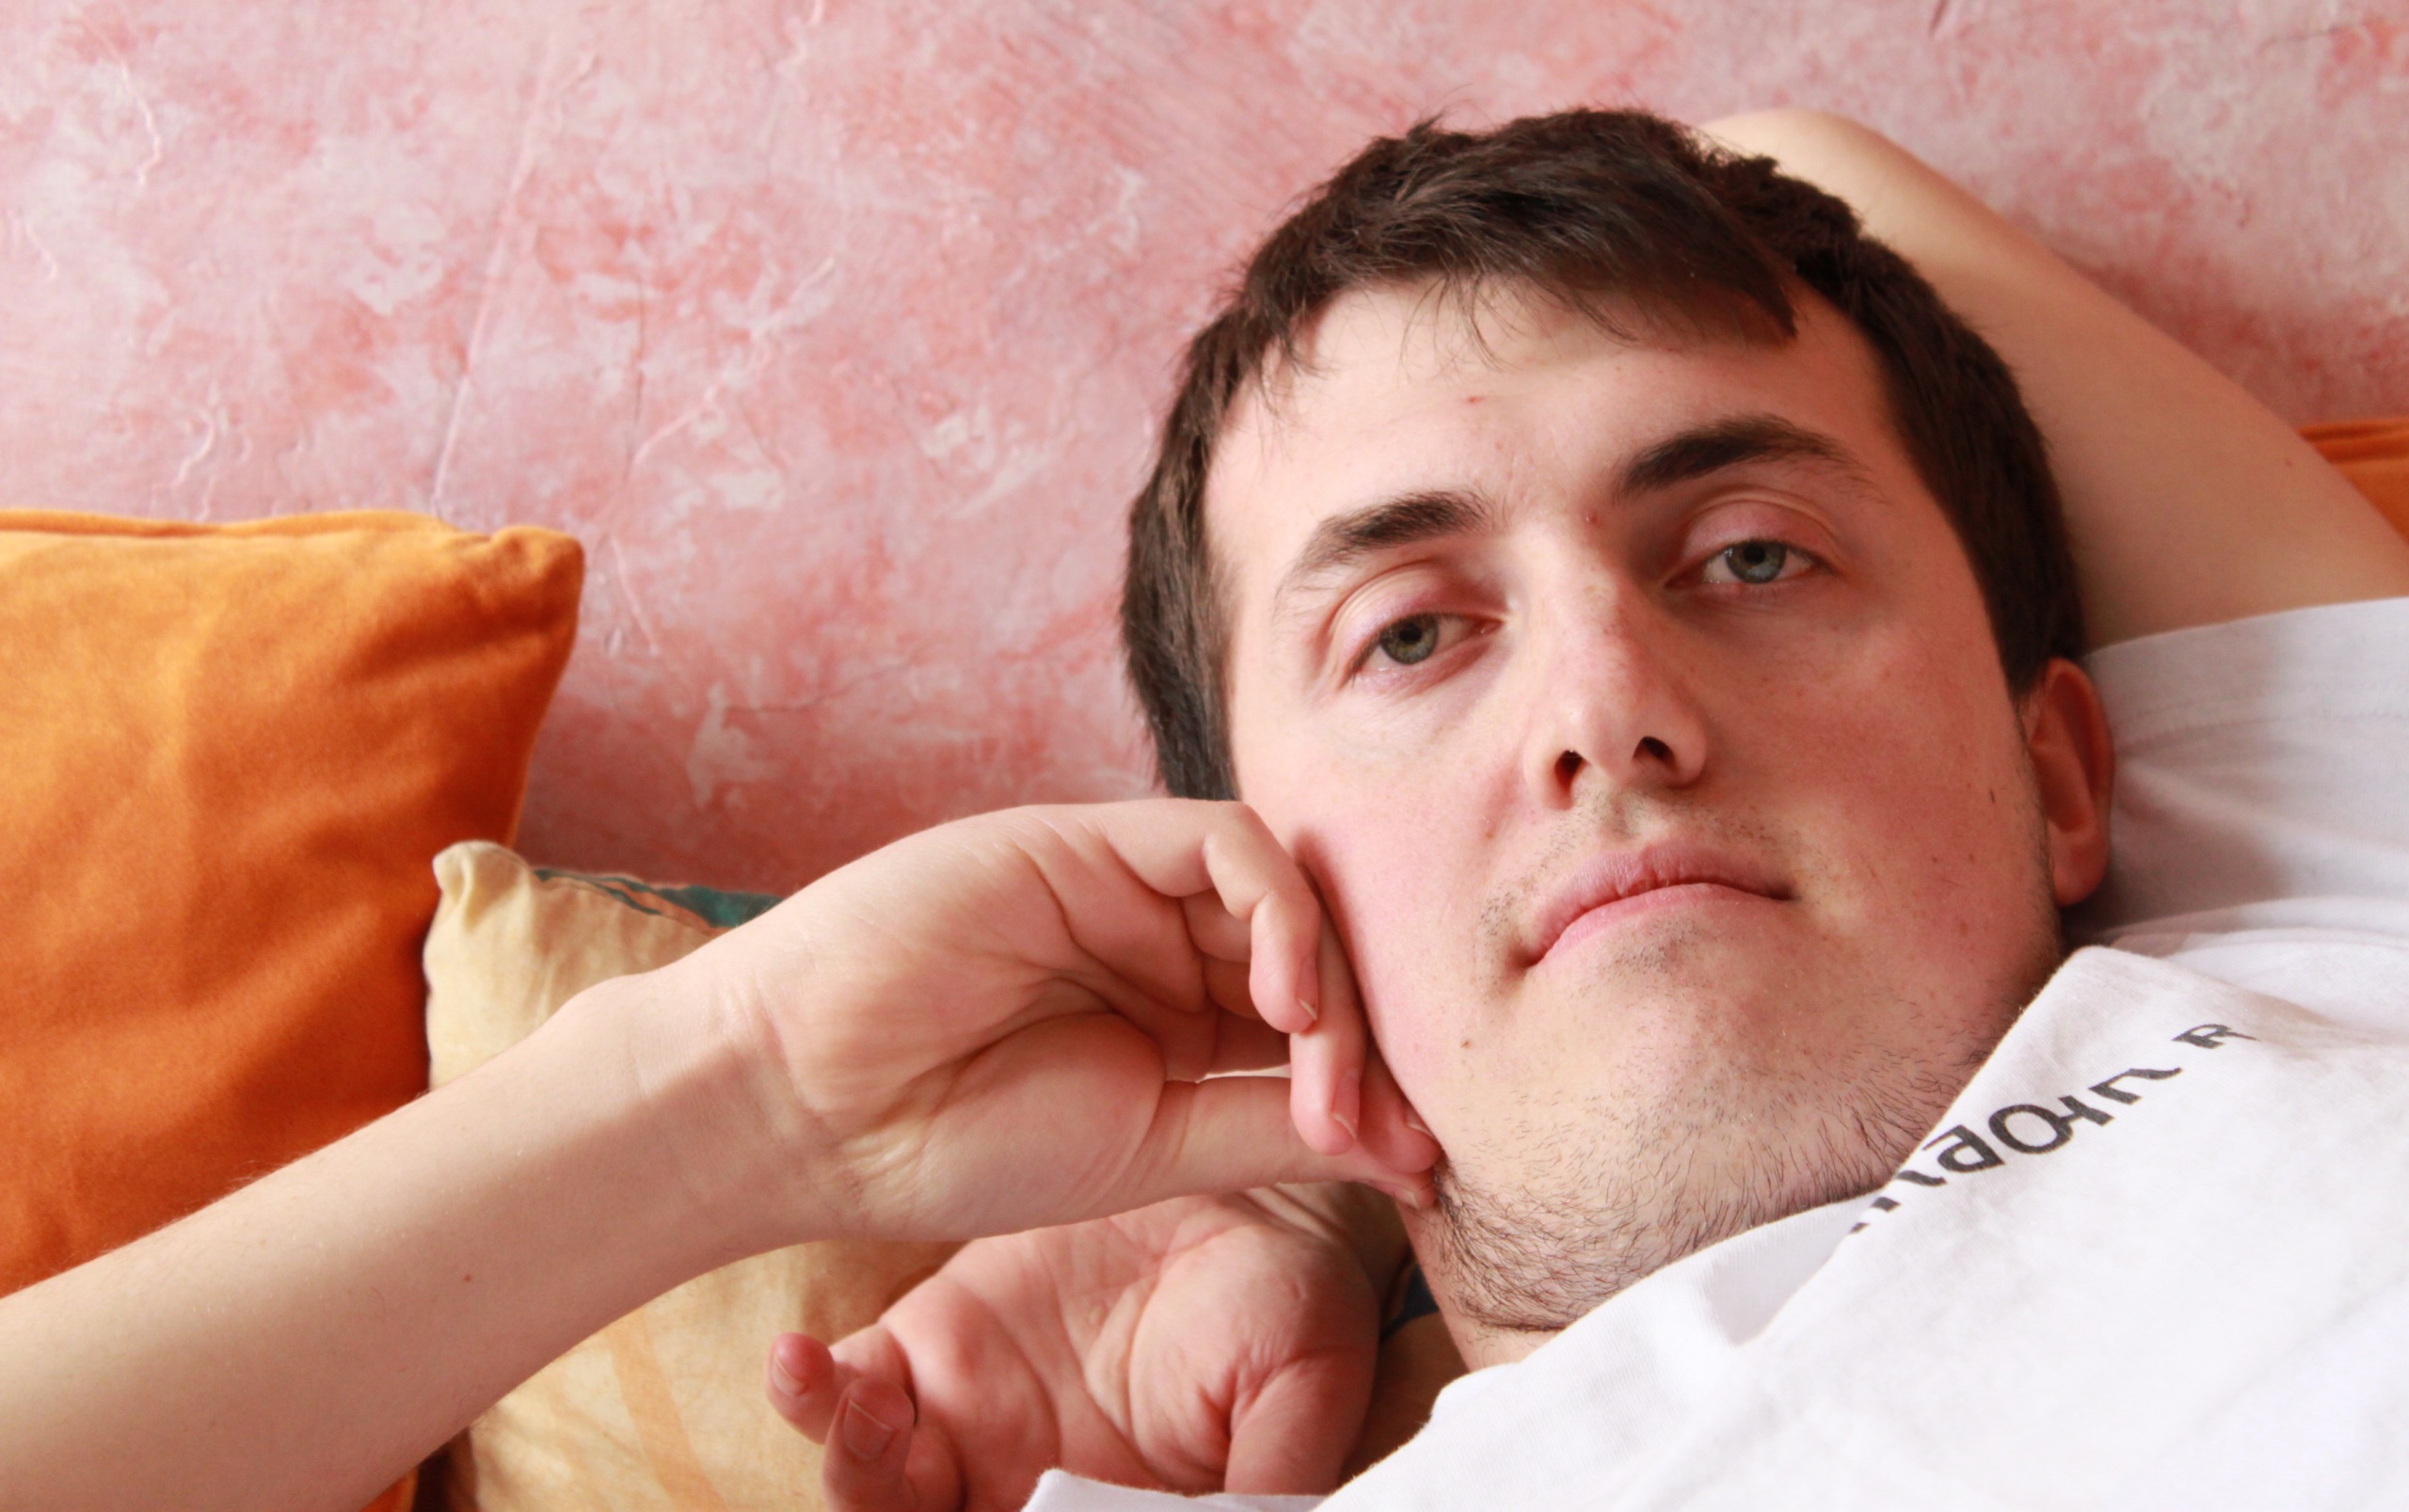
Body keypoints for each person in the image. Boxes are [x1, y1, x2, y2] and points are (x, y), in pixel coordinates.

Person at [2, 106, 2404, 1512]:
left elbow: (1790, 160)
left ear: (2059, 769)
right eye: (1414, 634)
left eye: (1750, 553)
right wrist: (743, 1091)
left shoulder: (2328, 918)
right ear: (1267, 895)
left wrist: (1316, 1185)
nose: (1607, 706)